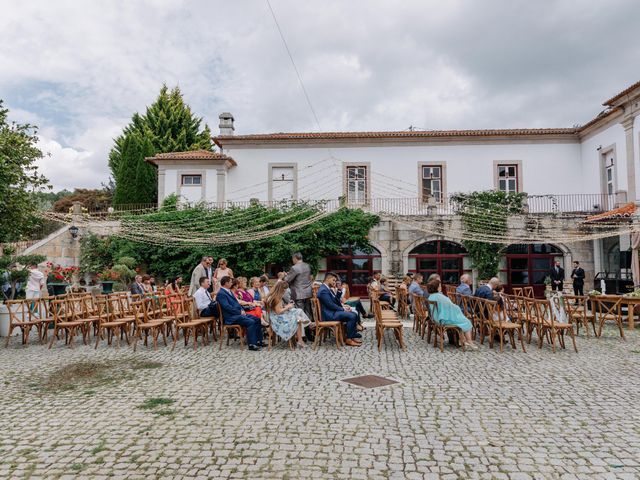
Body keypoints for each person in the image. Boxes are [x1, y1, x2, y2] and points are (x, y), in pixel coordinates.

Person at [426, 278, 478, 350]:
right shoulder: (440, 296)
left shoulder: (431, 296)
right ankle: (469, 341)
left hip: (436, 318)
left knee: (462, 319)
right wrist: (457, 308)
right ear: (437, 287)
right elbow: (451, 306)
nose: (441, 287)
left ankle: (463, 340)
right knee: (467, 321)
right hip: (443, 320)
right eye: (440, 285)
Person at [217, 276, 264, 351]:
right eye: (230, 282)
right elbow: (226, 307)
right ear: (226, 283)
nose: (232, 283)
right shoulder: (221, 293)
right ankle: (252, 344)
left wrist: (242, 310)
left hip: (238, 314)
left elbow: (237, 303)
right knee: (251, 322)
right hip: (231, 317)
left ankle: (259, 341)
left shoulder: (228, 291)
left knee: (257, 319)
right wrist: (239, 312)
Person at [316, 272, 361, 347]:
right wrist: (343, 309)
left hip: (332, 312)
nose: (335, 282)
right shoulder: (323, 290)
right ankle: (349, 339)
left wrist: (339, 290)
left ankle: (351, 337)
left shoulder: (327, 288)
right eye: (333, 280)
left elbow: (335, 301)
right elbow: (330, 305)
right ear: (328, 279)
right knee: (352, 316)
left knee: (353, 314)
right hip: (329, 315)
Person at [264, 280, 311, 348]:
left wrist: (286, 306)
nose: (284, 292)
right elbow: (278, 312)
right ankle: (301, 338)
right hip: (277, 320)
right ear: (280, 289)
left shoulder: (273, 296)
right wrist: (288, 307)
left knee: (298, 315)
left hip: (276, 317)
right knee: (298, 318)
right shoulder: (276, 298)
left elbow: (277, 309)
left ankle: (301, 339)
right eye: (284, 290)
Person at [284, 252, 313, 319]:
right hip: (308, 292)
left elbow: (287, 280)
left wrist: (286, 275)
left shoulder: (294, 267)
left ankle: (303, 328)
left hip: (298, 293)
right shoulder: (307, 266)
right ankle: (309, 327)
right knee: (308, 311)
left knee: (300, 311)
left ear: (295, 258)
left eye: (292, 259)